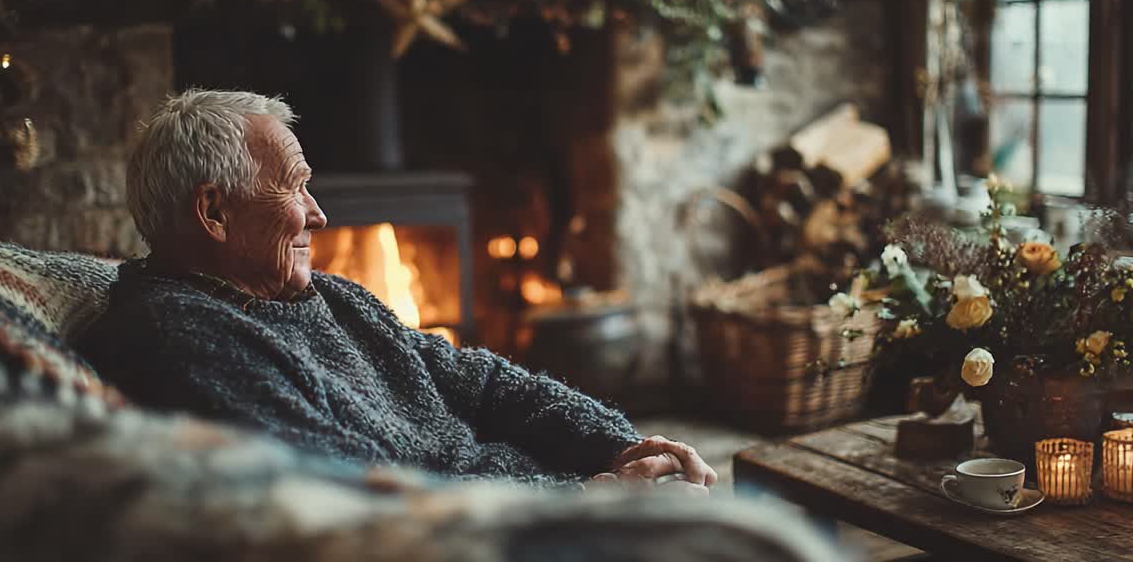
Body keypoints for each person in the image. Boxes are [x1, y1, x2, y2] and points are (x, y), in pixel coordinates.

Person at [75, 89, 716, 492]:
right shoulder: (182, 337)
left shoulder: (325, 298)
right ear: (213, 212)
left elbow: (479, 379)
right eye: (294, 186)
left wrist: (616, 443)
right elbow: (362, 495)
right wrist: (591, 503)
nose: (318, 214)